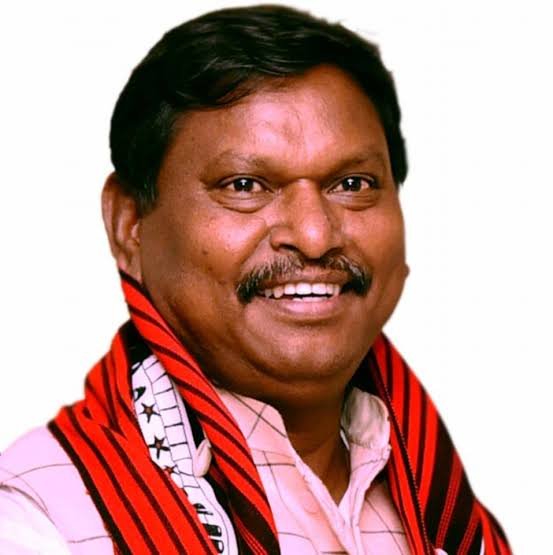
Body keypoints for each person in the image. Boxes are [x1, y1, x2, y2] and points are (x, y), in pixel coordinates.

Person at [0, 5, 510, 554]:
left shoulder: (451, 517)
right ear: (130, 226)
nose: (314, 235)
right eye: (244, 185)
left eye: (353, 183)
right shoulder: (43, 523)